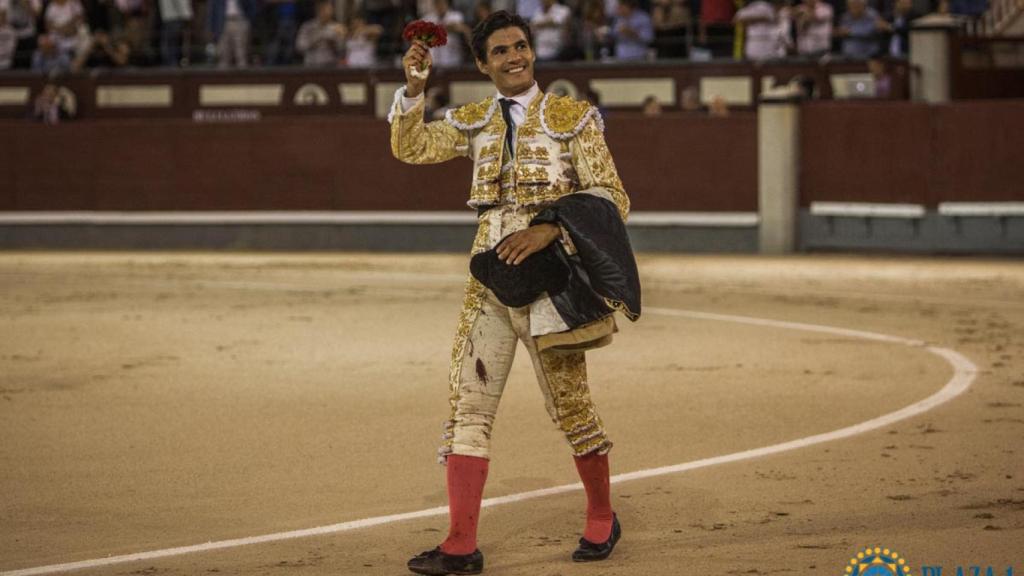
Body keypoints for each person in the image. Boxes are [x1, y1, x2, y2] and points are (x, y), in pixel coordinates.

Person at [388, 9, 639, 575]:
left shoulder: (573, 118)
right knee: (468, 404)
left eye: (521, 46)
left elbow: (612, 197)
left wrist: (551, 226)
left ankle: (601, 513)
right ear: (483, 63)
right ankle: (460, 544)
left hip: (553, 271)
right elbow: (412, 148)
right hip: (491, 273)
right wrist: (414, 88)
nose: (514, 57)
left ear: (533, 51)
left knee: (570, 404)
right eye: (500, 51)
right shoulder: (475, 120)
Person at [295, 0, 346, 67]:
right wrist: (313, 42)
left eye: (329, 9)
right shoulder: (307, 27)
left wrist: (334, 45)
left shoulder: (337, 28)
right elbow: (299, 47)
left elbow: (343, 50)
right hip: (311, 65)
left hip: (331, 65)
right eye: (324, 9)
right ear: (318, 10)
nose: (326, 12)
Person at [208, 0, 257, 68]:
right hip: (223, 22)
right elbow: (212, 11)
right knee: (223, 54)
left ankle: (243, 76)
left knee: (241, 54)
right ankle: (222, 76)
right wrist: (212, 29)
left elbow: (252, 6)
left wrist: (248, 22)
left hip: (240, 21)